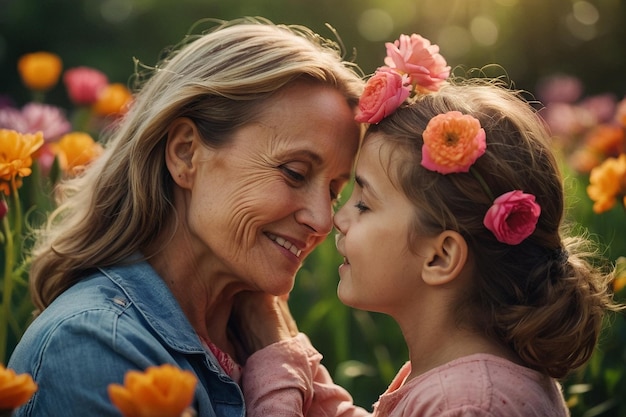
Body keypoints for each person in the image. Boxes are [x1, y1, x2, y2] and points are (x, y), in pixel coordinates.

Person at [232, 33, 622, 417]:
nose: (337, 217)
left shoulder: (471, 404)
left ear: (441, 256)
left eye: (365, 204)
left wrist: (274, 360)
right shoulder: (460, 385)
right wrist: (283, 346)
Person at [7, 17, 367, 416]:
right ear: (185, 153)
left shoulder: (250, 338)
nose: (321, 219)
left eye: (335, 191)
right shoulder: (94, 345)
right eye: (294, 172)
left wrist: (281, 353)